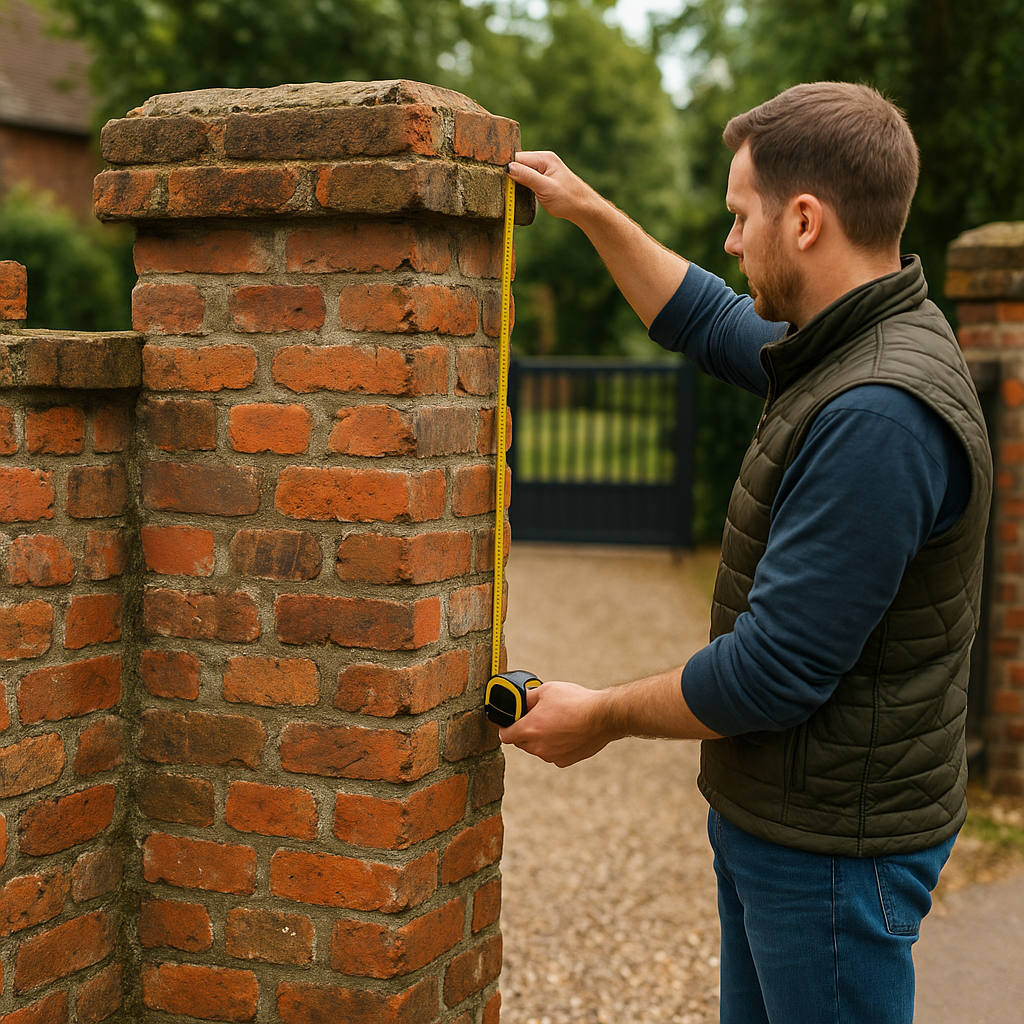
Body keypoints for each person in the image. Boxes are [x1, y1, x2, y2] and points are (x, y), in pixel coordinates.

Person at [501, 82, 993, 1024]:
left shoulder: (878, 414)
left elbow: (772, 674)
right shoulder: (850, 341)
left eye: (739, 217)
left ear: (804, 221)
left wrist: (598, 715)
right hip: (790, 827)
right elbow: (711, 320)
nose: (730, 241)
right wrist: (593, 212)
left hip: (835, 856)